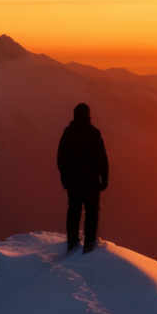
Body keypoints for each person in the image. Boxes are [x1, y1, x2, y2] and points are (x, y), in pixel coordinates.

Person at [56, 102, 108, 252]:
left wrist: (65, 179)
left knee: (74, 210)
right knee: (91, 212)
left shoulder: (68, 133)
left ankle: (72, 242)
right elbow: (102, 158)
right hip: (91, 182)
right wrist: (104, 179)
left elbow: (61, 158)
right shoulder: (94, 133)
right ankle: (89, 242)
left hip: (74, 182)